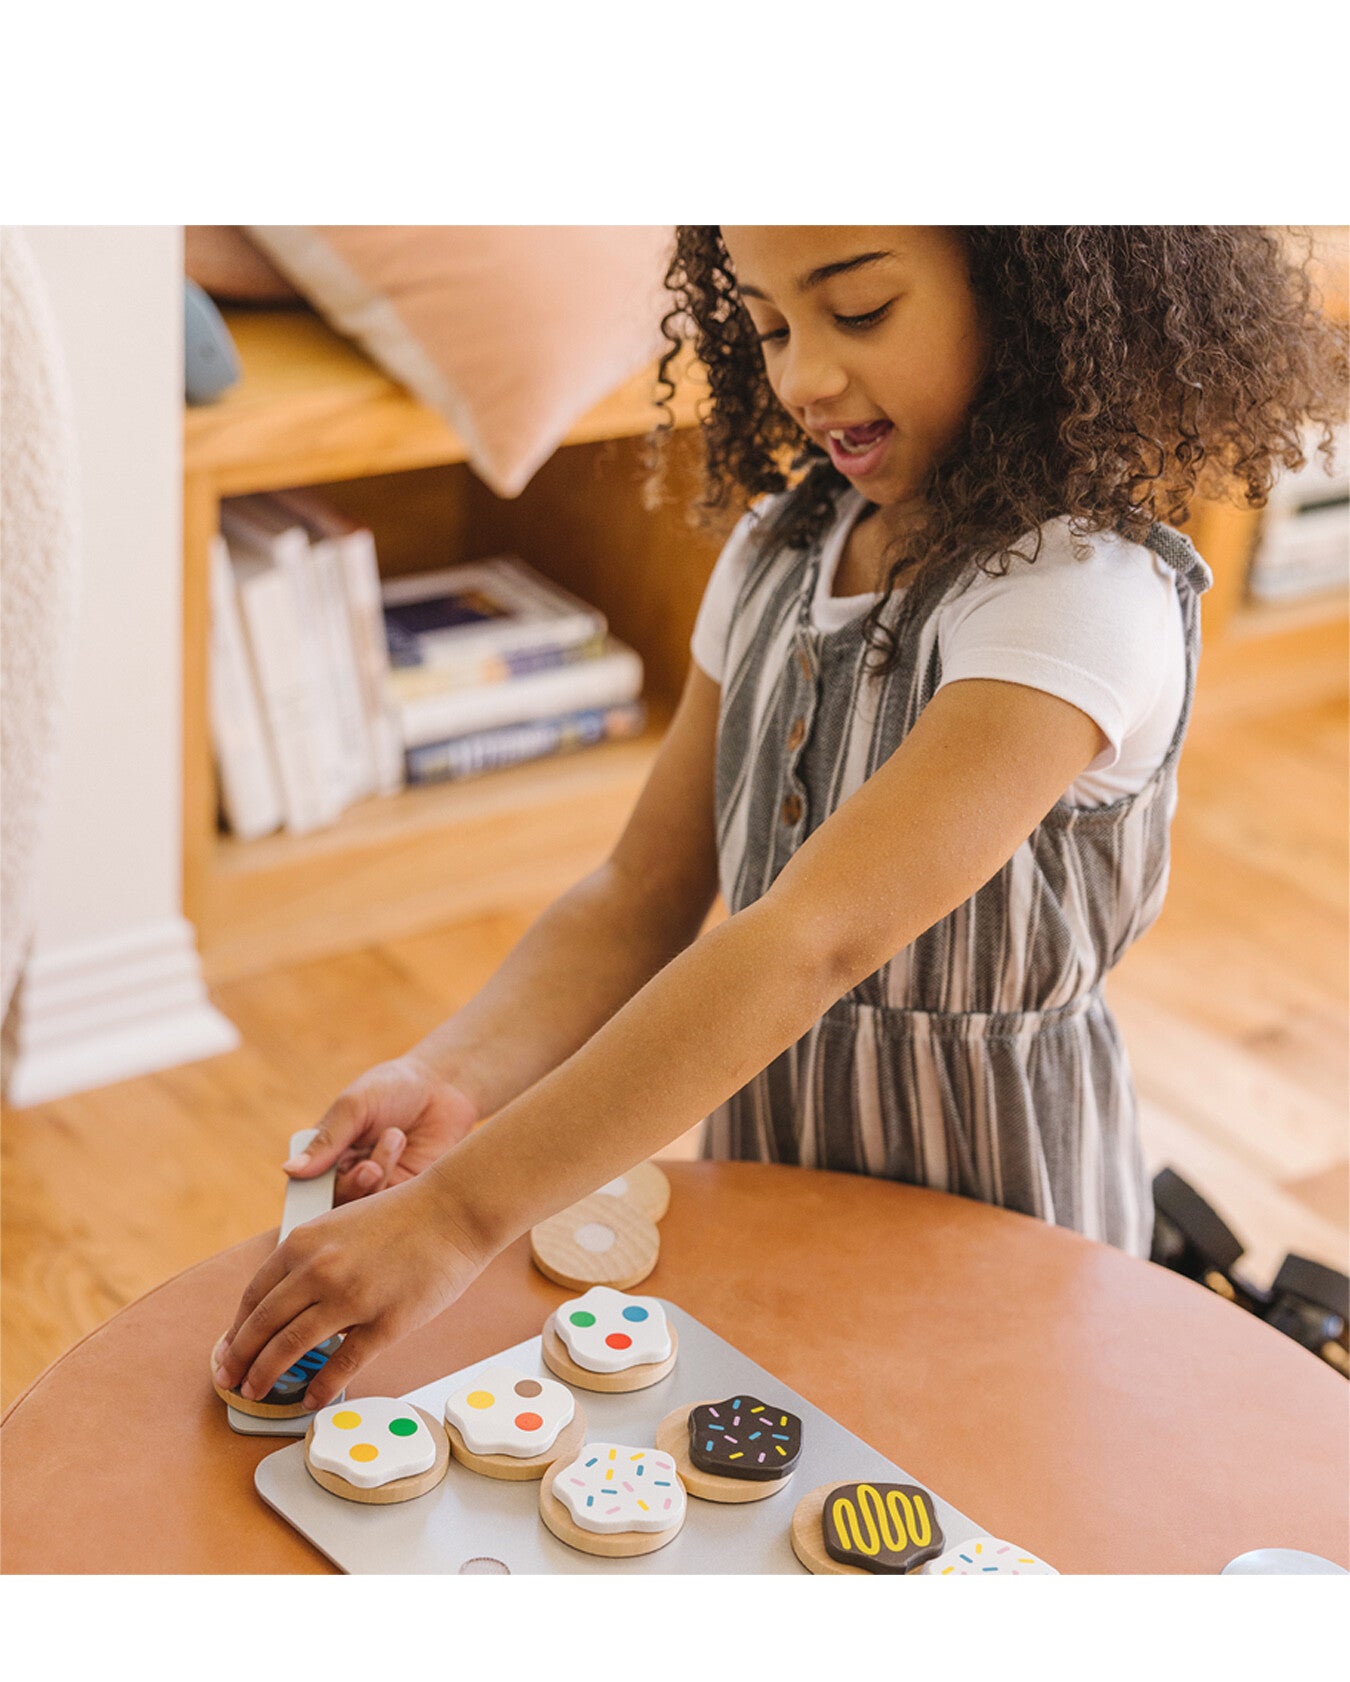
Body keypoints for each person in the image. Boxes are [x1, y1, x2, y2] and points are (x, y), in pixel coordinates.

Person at [213, 226, 1347, 1413]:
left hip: (999, 1208)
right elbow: (637, 896)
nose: (804, 375)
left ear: (1027, 290)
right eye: (766, 325)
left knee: (962, 1477)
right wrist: (451, 1076)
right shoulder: (780, 548)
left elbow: (810, 940)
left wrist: (459, 1216)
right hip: (771, 1165)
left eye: (858, 312)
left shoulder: (1078, 594)